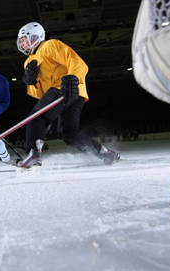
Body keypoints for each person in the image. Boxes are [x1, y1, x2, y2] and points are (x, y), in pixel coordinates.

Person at [16, 22, 120, 167]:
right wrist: (31, 81)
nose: (23, 43)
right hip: (71, 95)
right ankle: (104, 152)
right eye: (21, 41)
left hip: (65, 88)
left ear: (36, 37)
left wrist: (72, 77)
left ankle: (34, 152)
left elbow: (77, 62)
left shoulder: (49, 45)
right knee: (69, 134)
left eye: (25, 39)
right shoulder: (28, 61)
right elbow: (41, 94)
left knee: (35, 117)